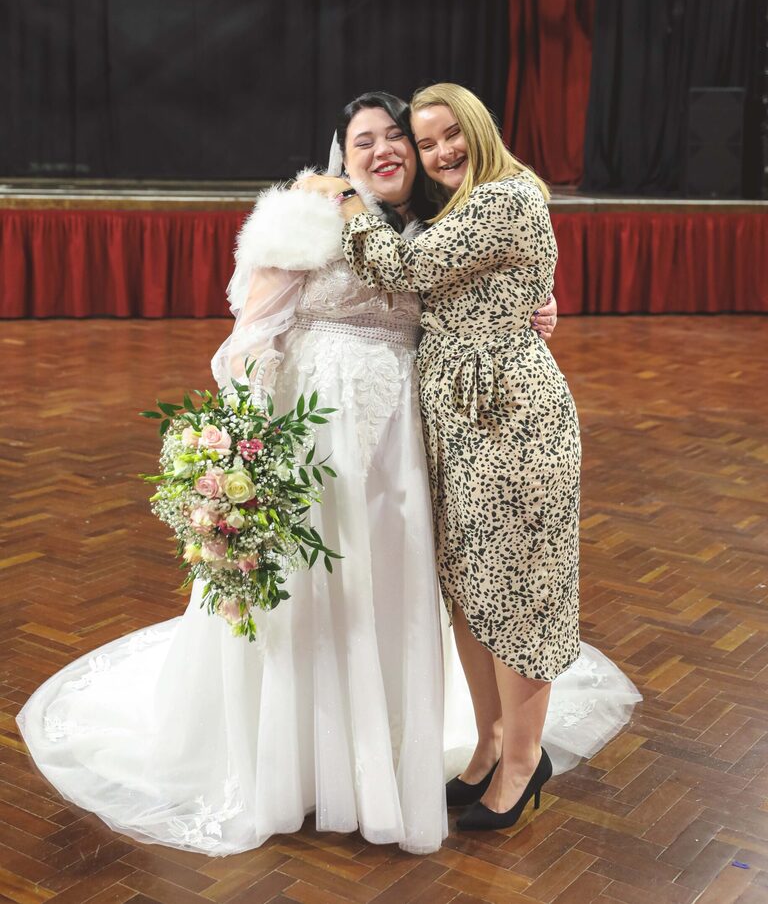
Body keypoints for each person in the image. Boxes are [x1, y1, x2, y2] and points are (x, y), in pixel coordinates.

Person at [16, 90, 636, 856]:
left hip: (411, 443)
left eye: (402, 138)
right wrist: (245, 442)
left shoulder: (433, 218)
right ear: (341, 149)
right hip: (317, 436)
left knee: (399, 589)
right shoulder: (307, 212)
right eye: (366, 137)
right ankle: (303, 764)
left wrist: (534, 307)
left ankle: (431, 758)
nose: (391, 150)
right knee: (318, 595)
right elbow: (249, 338)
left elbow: (470, 283)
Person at [303, 82, 622, 831]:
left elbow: (408, 272)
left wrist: (347, 201)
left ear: (480, 130)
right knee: (471, 592)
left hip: (512, 419)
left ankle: (523, 761)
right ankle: (486, 747)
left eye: (452, 135)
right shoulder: (447, 207)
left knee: (517, 596)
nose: (441, 151)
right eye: (429, 141)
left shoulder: (505, 198)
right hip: (453, 419)